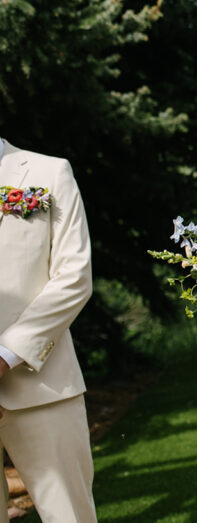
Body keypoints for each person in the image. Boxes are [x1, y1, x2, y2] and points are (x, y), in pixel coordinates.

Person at [0, 139, 96, 522]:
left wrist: (7, 355)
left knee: (68, 516)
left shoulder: (49, 172)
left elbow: (74, 277)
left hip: (43, 386)